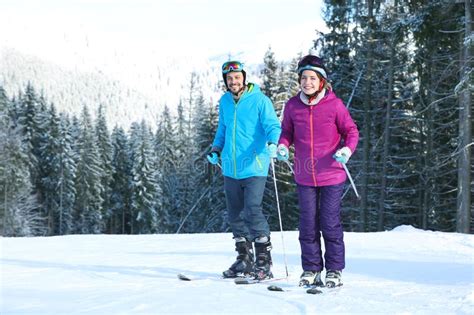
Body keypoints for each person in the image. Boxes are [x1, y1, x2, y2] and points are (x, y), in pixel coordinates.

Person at [276, 55, 359, 288]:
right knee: (307, 224)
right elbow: (286, 132)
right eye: (304, 78)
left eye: (312, 78)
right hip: (304, 175)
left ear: (321, 81)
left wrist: (346, 150)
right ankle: (311, 269)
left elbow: (351, 131)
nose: (307, 82)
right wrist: (282, 145)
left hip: (332, 173)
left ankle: (334, 270)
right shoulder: (293, 105)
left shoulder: (334, 104)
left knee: (329, 222)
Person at [207, 60, 281, 280]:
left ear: (244, 78)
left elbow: (272, 125)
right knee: (235, 214)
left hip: (255, 165)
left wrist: (273, 142)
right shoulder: (225, 101)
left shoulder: (259, 100)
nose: (233, 81)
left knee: (252, 210)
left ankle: (263, 262)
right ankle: (244, 261)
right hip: (231, 167)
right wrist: (216, 149)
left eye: (237, 77)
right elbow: (223, 128)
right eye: (229, 78)